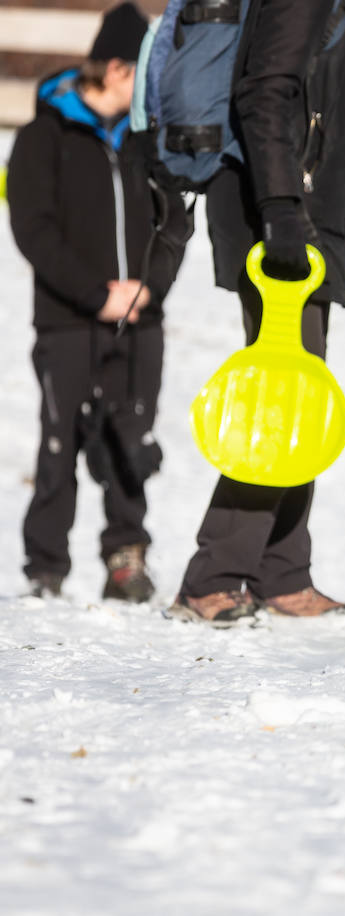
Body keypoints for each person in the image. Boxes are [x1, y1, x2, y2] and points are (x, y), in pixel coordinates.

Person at [168, 0, 345, 627]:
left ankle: (281, 574)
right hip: (278, 229)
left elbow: (344, 133)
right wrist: (282, 209)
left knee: (299, 400)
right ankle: (213, 579)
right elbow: (264, 96)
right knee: (281, 405)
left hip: (312, 227)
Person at [8, 2, 188, 603]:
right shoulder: (42, 137)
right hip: (67, 319)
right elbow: (33, 229)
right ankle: (45, 566)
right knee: (59, 443)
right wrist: (94, 294)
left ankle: (125, 557)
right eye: (144, 71)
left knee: (130, 439)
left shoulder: (151, 141)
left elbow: (176, 226)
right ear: (116, 70)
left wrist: (147, 289)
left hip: (140, 322)